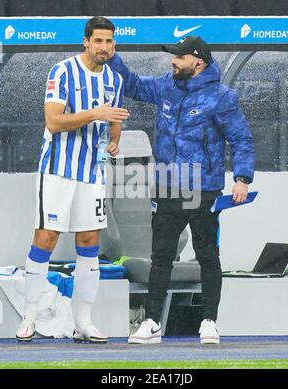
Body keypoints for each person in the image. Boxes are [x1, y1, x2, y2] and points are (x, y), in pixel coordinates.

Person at [108, 36, 254, 344]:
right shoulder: (165, 85)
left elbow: (241, 139)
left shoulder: (221, 96)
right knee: (160, 257)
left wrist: (242, 178)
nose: (173, 61)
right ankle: (151, 322)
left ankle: (209, 322)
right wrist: (112, 57)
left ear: (197, 62)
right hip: (166, 188)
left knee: (207, 256)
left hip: (205, 190)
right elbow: (132, 85)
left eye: (179, 57)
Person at [16, 16, 129, 343]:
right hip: (57, 171)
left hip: (92, 174)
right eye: (98, 41)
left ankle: (83, 322)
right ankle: (30, 315)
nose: (104, 47)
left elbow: (115, 118)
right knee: (46, 239)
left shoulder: (115, 80)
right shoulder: (62, 71)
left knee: (89, 243)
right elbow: (53, 121)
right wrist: (95, 114)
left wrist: (114, 140)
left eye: (109, 42)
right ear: (86, 41)